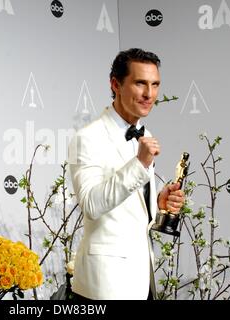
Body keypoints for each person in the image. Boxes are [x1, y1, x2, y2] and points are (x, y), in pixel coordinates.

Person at [68, 48, 185, 300]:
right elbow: (91, 204)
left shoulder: (145, 133)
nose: (149, 94)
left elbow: (128, 209)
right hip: (105, 285)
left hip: (142, 280)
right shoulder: (88, 137)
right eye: (140, 83)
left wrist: (157, 204)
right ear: (115, 84)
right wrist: (140, 164)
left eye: (155, 85)